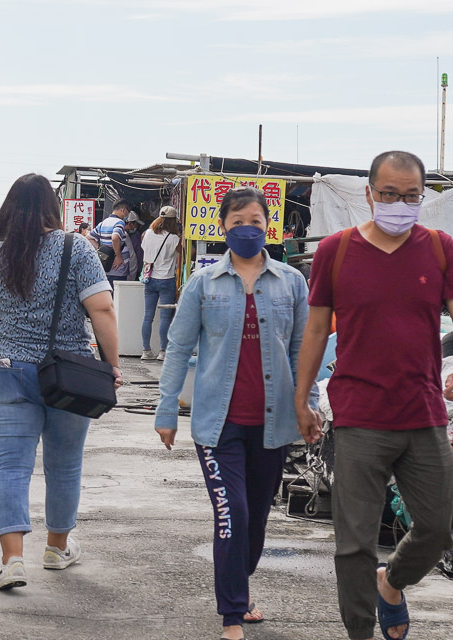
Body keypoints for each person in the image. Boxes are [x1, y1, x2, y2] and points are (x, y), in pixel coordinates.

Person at [294, 151, 453, 640]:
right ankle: (360, 631)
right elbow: (315, 332)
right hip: (359, 415)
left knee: (439, 525)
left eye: (412, 196)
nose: (401, 204)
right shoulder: (337, 250)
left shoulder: (439, 248)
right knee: (353, 543)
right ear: (370, 194)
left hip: (422, 412)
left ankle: (392, 580)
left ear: (423, 197)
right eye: (391, 194)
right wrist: (302, 398)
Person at [155, 187, 315, 640]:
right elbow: (179, 347)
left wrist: (310, 404)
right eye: (238, 221)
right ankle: (231, 615)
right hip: (216, 424)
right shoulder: (202, 284)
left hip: (273, 423)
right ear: (223, 226)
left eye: (257, 221)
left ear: (272, 229)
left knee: (257, 520)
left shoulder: (291, 282)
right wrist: (166, 409)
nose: (248, 229)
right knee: (233, 514)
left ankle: (238, 591)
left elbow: (303, 351)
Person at [0, 174, 122, 591]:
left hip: (8, 371)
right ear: (52, 207)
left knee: (10, 467)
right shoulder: (78, 249)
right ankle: (56, 548)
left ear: (9, 209)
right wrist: (113, 364)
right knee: (64, 465)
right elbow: (102, 309)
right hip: (68, 375)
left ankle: (12, 560)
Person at [139, 206, 181, 361]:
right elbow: (184, 253)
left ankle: (146, 350)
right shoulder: (174, 238)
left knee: (148, 316)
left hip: (149, 279)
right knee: (164, 317)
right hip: (166, 280)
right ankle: (163, 351)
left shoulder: (147, 234)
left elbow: (144, 248)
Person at [90, 200, 132, 284]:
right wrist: (118, 256)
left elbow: (89, 238)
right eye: (128, 212)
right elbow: (115, 237)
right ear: (123, 210)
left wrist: (101, 250)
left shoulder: (103, 222)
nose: (127, 215)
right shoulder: (119, 222)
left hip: (106, 265)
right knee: (117, 294)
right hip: (118, 268)